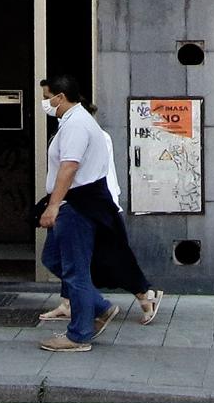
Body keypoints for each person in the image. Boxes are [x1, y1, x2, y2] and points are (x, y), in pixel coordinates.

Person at [36, 80, 163, 330]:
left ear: (60, 97)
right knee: (59, 260)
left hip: (80, 204)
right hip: (73, 203)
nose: (45, 103)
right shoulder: (71, 125)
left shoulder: (79, 127)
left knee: (91, 264)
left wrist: (53, 206)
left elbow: (71, 166)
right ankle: (97, 306)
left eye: (47, 97)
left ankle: (83, 328)